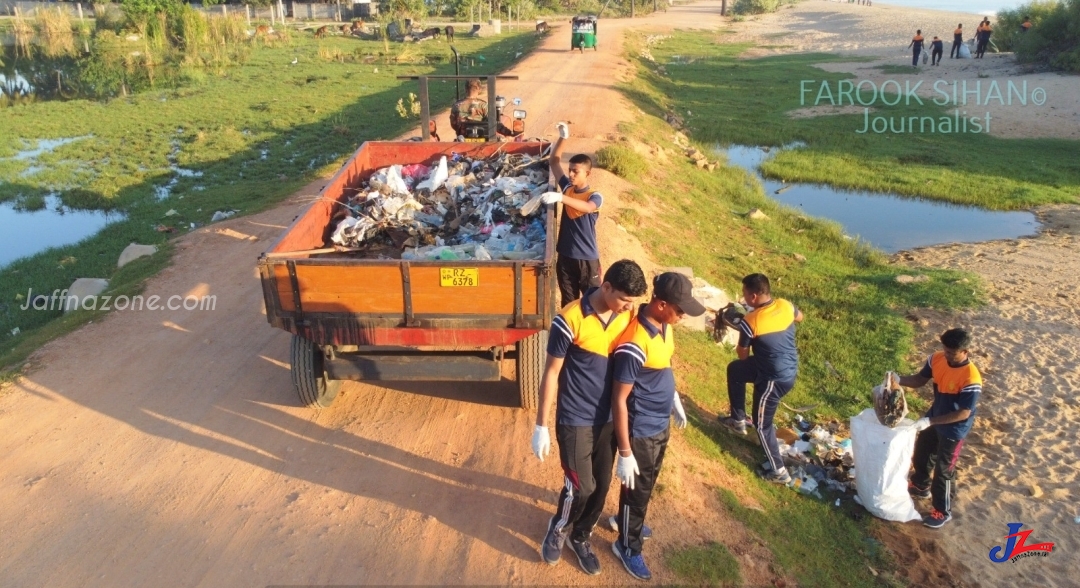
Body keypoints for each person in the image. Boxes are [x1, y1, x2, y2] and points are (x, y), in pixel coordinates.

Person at [533, 259, 648, 575]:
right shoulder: (570, 319)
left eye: (632, 303)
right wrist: (541, 425)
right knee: (580, 486)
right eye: (625, 299)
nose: (628, 307)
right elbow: (552, 372)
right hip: (575, 418)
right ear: (606, 287)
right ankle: (559, 528)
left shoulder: (628, 318)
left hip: (609, 419)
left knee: (601, 485)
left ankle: (580, 537)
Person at [610, 272, 704, 580]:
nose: (683, 316)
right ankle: (628, 545)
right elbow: (619, 400)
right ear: (661, 304)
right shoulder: (634, 342)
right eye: (680, 310)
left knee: (644, 485)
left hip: (659, 420)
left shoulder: (665, 325)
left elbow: (663, 364)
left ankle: (627, 521)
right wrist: (625, 451)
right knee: (637, 490)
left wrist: (673, 397)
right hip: (641, 429)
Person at [718, 273, 804, 485]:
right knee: (736, 370)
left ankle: (779, 472)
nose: (745, 299)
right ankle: (738, 421)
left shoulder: (751, 321)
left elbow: (743, 354)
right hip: (785, 367)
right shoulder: (785, 305)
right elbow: (799, 317)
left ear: (754, 296)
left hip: (774, 379)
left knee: (762, 423)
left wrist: (741, 326)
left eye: (746, 295)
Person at [896, 328, 982, 529]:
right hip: (935, 415)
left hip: (954, 428)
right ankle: (920, 485)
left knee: (944, 470)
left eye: (953, 353)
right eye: (946, 350)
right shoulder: (936, 359)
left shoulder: (971, 378)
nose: (948, 355)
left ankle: (942, 511)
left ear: (965, 351)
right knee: (922, 453)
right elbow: (919, 380)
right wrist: (898, 379)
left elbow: (963, 413)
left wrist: (930, 421)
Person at [541, 123, 604, 309]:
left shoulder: (595, 196)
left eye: (575, 171)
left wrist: (561, 197)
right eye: (569, 170)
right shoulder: (568, 188)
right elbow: (553, 162)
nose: (570, 174)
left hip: (587, 260)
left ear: (587, 173)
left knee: (594, 304)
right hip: (565, 257)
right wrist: (563, 137)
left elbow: (586, 207)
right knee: (569, 304)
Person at [448, 78, 515, 139]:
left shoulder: (456, 106)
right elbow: (494, 124)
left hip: (462, 139)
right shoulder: (483, 105)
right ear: (479, 89)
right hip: (481, 140)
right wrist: (510, 133)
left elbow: (454, 125)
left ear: (465, 89)